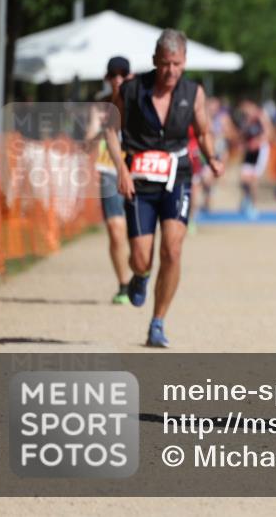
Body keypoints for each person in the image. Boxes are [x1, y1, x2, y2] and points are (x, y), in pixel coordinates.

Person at [105, 29, 224, 347]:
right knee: (141, 258)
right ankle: (140, 276)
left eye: (178, 64)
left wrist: (213, 158)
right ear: (155, 61)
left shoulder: (193, 92)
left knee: (172, 249)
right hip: (139, 181)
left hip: (177, 178)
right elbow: (109, 129)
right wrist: (121, 169)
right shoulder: (131, 90)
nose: (171, 71)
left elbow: (204, 130)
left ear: (184, 63)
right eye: (166, 64)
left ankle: (158, 322)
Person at [86, 56, 132, 304]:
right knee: (116, 230)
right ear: (107, 78)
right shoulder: (100, 106)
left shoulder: (137, 102)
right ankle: (123, 284)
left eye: (122, 74)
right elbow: (87, 142)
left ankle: (139, 271)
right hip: (108, 170)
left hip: (136, 170)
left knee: (135, 232)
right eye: (113, 75)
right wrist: (99, 130)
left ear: (129, 76)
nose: (117, 79)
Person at [237, 99, 271, 218]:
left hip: (260, 151)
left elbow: (268, 133)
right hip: (249, 151)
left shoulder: (261, 117)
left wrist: (258, 142)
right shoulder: (245, 120)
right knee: (243, 179)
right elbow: (242, 135)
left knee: (253, 180)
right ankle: (246, 198)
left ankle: (254, 205)